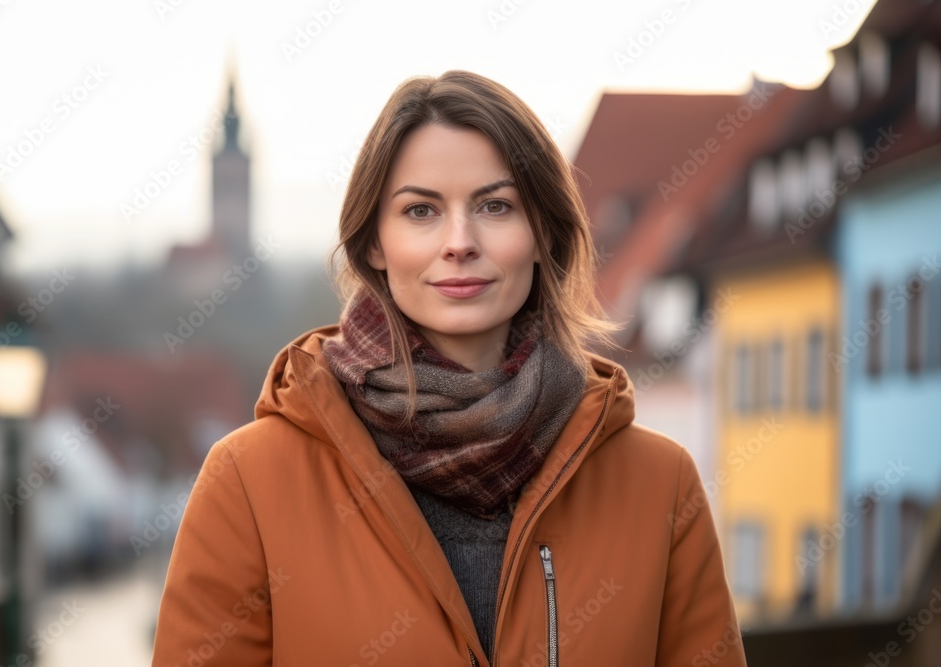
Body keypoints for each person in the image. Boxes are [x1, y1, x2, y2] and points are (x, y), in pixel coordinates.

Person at [150, 69, 748, 666]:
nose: (459, 242)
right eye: (420, 211)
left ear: (543, 234)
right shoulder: (248, 486)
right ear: (375, 243)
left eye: (495, 205)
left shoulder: (660, 486)